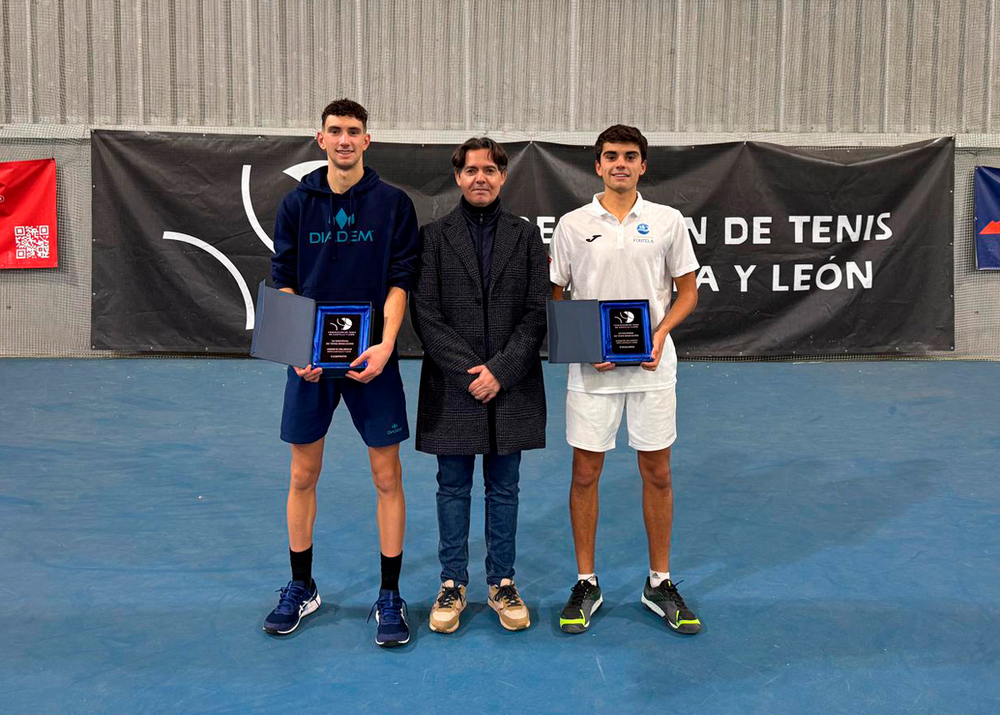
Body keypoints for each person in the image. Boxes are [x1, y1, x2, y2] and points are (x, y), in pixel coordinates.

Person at [262, 98, 418, 648]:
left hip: (372, 362)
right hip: (311, 364)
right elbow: (284, 278)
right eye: (336, 131)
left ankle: (390, 595)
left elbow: (401, 280)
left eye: (354, 131)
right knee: (302, 475)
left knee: (387, 478)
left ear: (367, 140)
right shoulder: (295, 205)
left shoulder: (394, 204)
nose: (345, 139)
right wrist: (296, 346)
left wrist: (385, 344)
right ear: (320, 139)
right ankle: (302, 585)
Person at [549, 125, 702, 635]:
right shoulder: (572, 225)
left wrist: (659, 336)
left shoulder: (668, 221)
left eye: (629, 156)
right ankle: (586, 581)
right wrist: (587, 345)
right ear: (597, 166)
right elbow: (557, 297)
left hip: (654, 369)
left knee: (657, 472)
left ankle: (659, 581)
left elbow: (686, 293)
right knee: (585, 474)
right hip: (592, 373)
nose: (620, 164)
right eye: (610, 156)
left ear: (643, 166)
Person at [409, 138, 548, 633]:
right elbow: (425, 313)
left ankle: (502, 583)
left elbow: (537, 313)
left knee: (504, 488)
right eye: (471, 170)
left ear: (503, 176)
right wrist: (472, 372)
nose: (481, 178)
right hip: (455, 386)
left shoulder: (527, 238)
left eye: (490, 170)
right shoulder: (433, 237)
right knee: (452, 487)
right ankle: (452, 583)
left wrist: (501, 371)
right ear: (458, 177)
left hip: (510, 385)